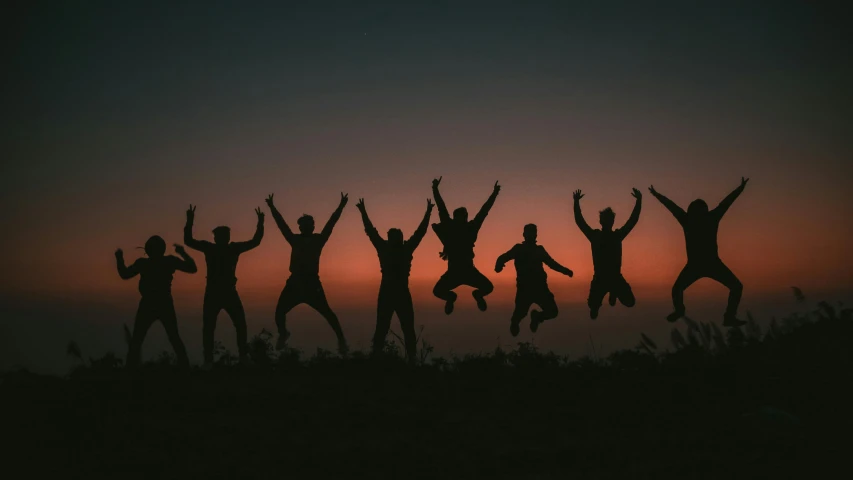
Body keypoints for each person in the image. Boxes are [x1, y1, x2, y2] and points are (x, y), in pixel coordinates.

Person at [649, 177, 749, 327]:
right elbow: (725, 203)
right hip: (705, 264)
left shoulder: (690, 219)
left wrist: (657, 195)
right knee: (736, 287)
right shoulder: (707, 218)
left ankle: (683, 311)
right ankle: (727, 316)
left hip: (703, 264)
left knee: (677, 289)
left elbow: (672, 207)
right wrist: (739, 189)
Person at [266, 192, 349, 353]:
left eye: (310, 224)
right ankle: (283, 334)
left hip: (311, 283)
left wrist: (341, 206)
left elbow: (331, 223)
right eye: (305, 224)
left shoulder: (318, 240)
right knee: (279, 312)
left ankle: (342, 341)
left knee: (328, 313)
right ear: (301, 227)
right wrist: (272, 207)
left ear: (312, 226)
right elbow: (282, 225)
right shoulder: (295, 239)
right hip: (295, 282)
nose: (309, 226)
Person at [184, 204, 264, 369]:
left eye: (226, 234)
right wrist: (189, 220)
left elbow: (255, 242)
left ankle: (236, 357)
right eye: (222, 235)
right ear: (216, 237)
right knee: (213, 326)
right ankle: (211, 360)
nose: (224, 237)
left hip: (226, 292)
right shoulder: (216, 248)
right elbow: (188, 241)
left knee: (235, 324)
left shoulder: (227, 248)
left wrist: (260, 223)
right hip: (216, 292)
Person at [356, 197, 433, 362]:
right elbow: (371, 231)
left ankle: (404, 358)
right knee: (387, 328)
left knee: (400, 329)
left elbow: (420, 233)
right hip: (392, 292)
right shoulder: (394, 248)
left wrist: (428, 212)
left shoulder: (395, 248)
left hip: (395, 293)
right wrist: (363, 212)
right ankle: (383, 358)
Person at [115, 236, 197, 368]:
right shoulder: (169, 261)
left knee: (137, 339)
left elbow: (125, 274)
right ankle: (185, 366)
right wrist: (182, 253)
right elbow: (192, 268)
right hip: (163, 302)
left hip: (149, 303)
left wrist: (119, 258)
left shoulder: (143, 263)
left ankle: (130, 369)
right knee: (173, 337)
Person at [431, 177, 500, 314]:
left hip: (464, 271)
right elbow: (441, 207)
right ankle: (454, 297)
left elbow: (483, 211)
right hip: (459, 272)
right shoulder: (468, 228)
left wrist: (494, 193)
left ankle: (469, 296)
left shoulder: (465, 228)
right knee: (437, 291)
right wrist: (435, 189)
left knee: (488, 288)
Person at [573, 188, 642, 320]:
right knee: (593, 307)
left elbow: (580, 222)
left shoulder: (607, 236)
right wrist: (639, 201)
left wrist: (576, 202)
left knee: (630, 302)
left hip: (614, 277)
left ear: (603, 222)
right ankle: (610, 293)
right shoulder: (604, 236)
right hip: (601, 278)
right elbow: (632, 221)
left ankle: (613, 291)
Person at [495, 224, 573, 336]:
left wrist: (565, 271)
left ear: (536, 235)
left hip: (540, 288)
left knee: (552, 312)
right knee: (519, 314)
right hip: (524, 289)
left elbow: (551, 263)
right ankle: (515, 322)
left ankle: (537, 317)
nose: (531, 235)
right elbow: (503, 257)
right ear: (524, 235)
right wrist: (498, 265)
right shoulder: (518, 249)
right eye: (529, 233)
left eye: (533, 232)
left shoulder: (539, 250)